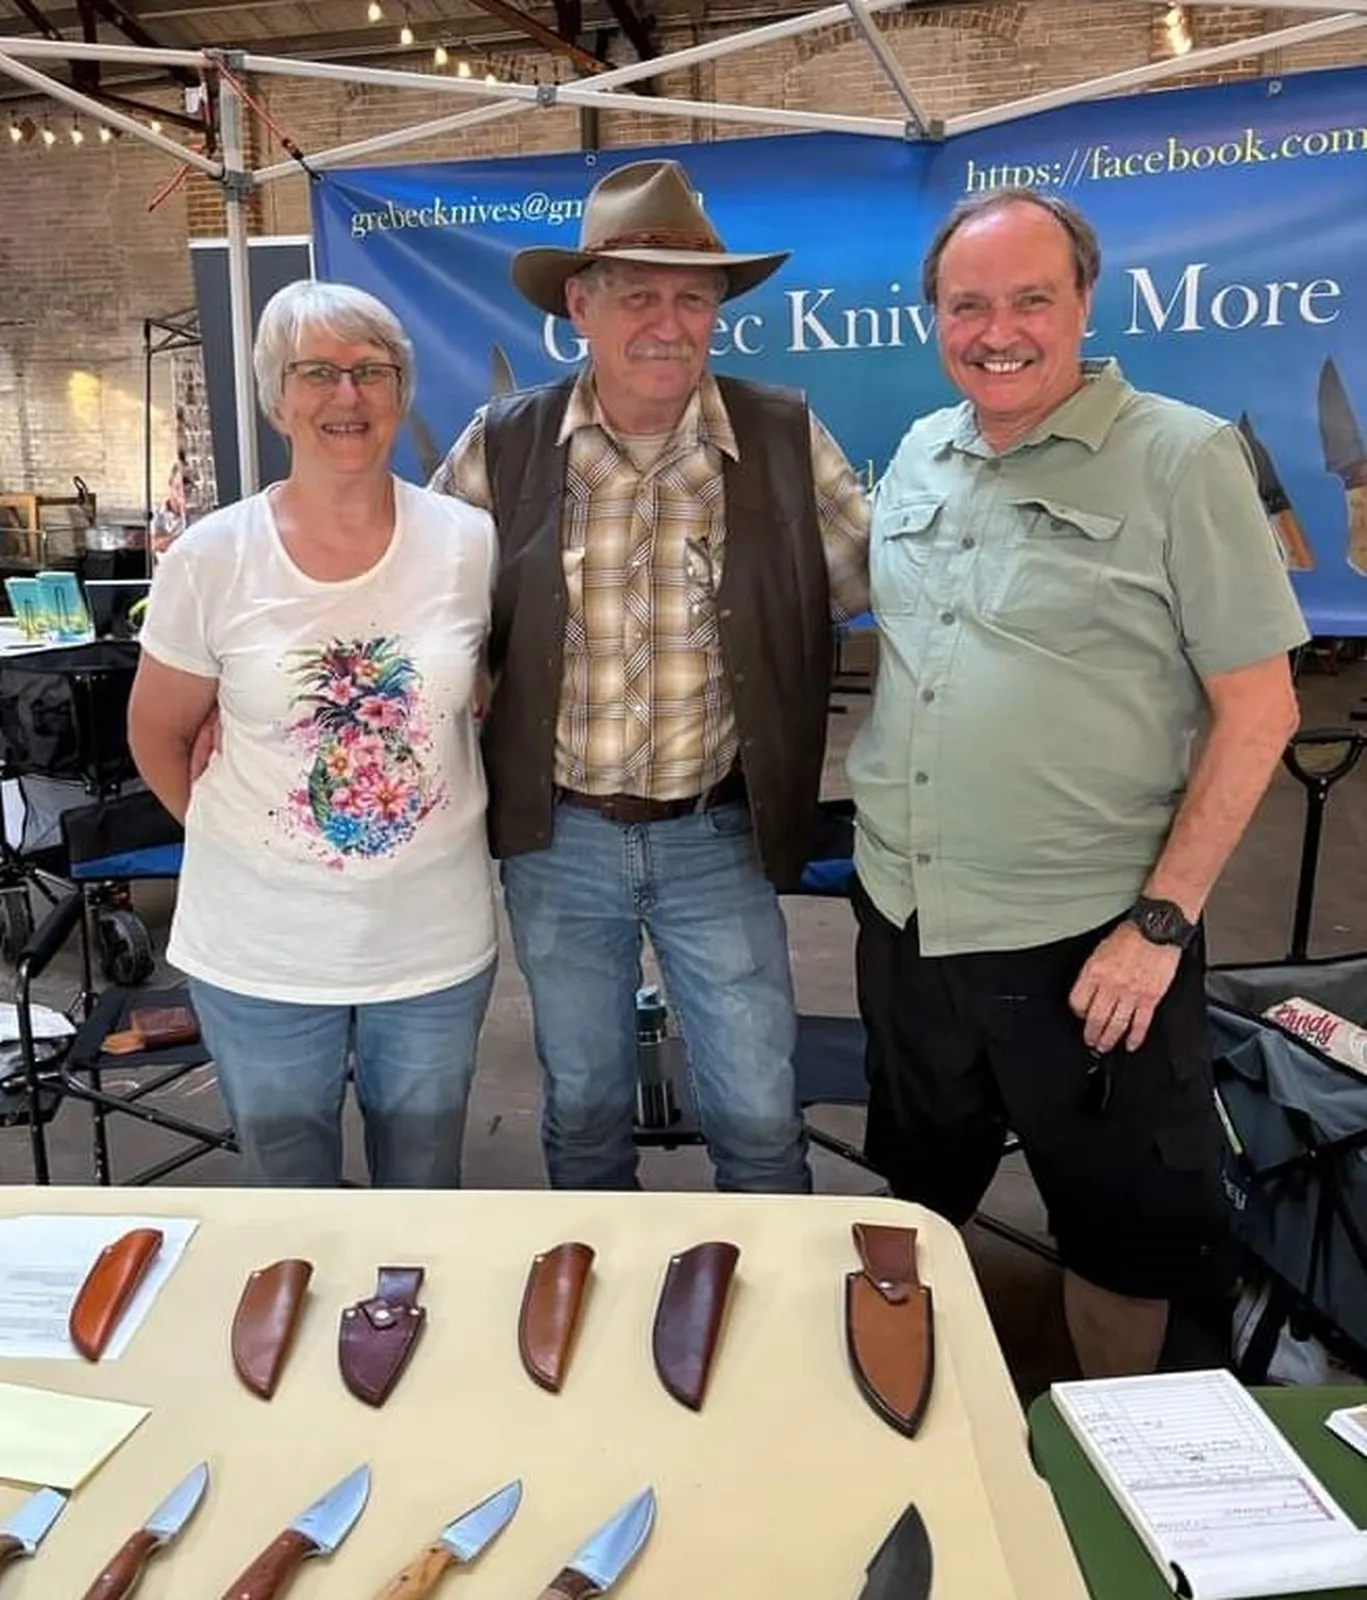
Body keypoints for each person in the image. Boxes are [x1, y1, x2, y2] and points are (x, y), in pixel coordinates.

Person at [848, 189, 1307, 1377]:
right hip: (906, 923)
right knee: (916, 1197)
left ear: (1082, 305)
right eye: (967, 304)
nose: (997, 329)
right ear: (934, 318)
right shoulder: (917, 454)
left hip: (1088, 946)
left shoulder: (1182, 457)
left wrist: (1158, 927)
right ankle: (922, 1434)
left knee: (1124, 1241)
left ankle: (1113, 1486)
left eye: (1028, 299)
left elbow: (1259, 709)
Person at [432, 158, 869, 1193]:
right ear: (579, 306)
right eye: (636, 296)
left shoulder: (781, 435)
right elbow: (415, 612)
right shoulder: (503, 444)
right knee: (581, 1111)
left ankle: (775, 1336)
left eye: (691, 297)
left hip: (717, 833)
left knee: (759, 1114)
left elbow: (894, 581)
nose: (667, 323)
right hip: (559, 840)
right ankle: (591, 1329)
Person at [128, 280, 498, 1188]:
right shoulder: (212, 557)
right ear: (275, 396)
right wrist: (244, 841)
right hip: (260, 953)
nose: (347, 394)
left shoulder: (469, 542)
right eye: (317, 372)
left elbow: (485, 689)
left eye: (372, 371)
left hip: (432, 948)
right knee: (291, 1205)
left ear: (402, 391)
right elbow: (156, 736)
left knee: (424, 1198)